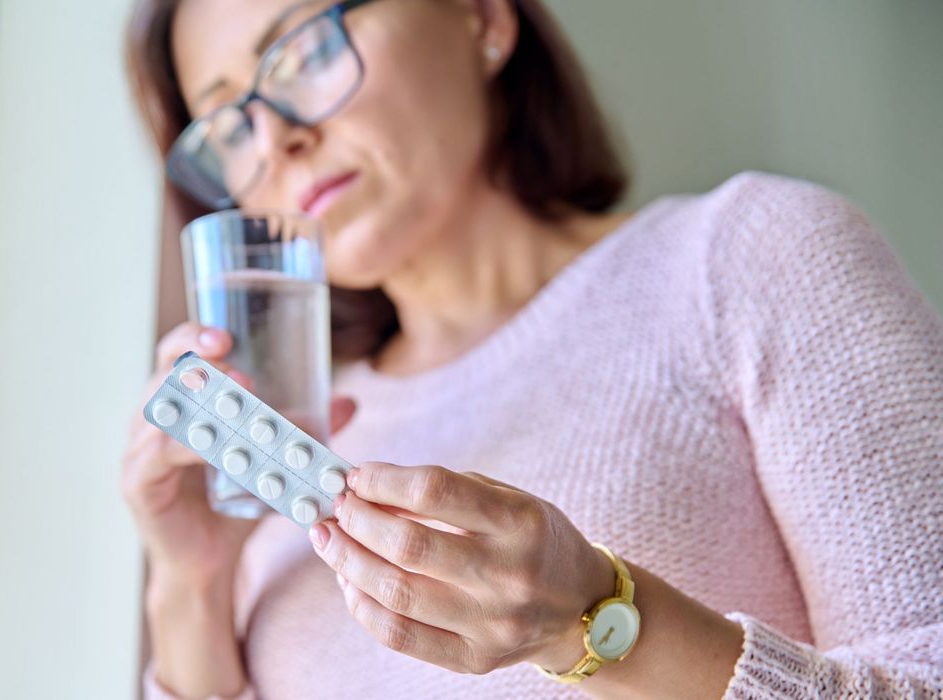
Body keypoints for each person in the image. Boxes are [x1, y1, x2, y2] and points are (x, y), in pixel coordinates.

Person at [120, 0, 943, 697]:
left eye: (301, 52)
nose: (274, 142)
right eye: (227, 123)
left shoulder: (751, 259)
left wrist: (603, 622)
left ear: (482, 17)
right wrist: (190, 586)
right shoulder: (286, 438)